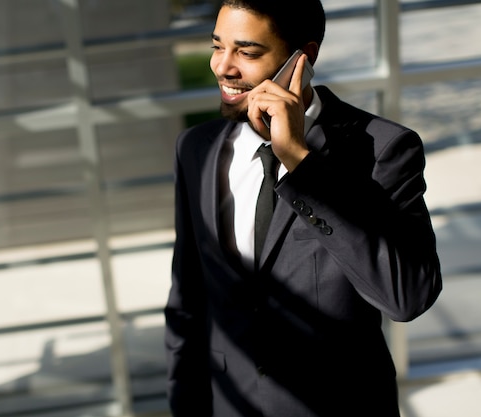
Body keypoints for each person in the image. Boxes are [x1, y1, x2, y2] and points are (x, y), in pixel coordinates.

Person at [164, 0, 442, 416]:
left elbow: (407, 296)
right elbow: (188, 297)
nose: (223, 67)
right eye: (216, 46)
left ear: (303, 58)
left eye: (248, 52)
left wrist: (299, 161)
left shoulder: (384, 150)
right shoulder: (197, 149)